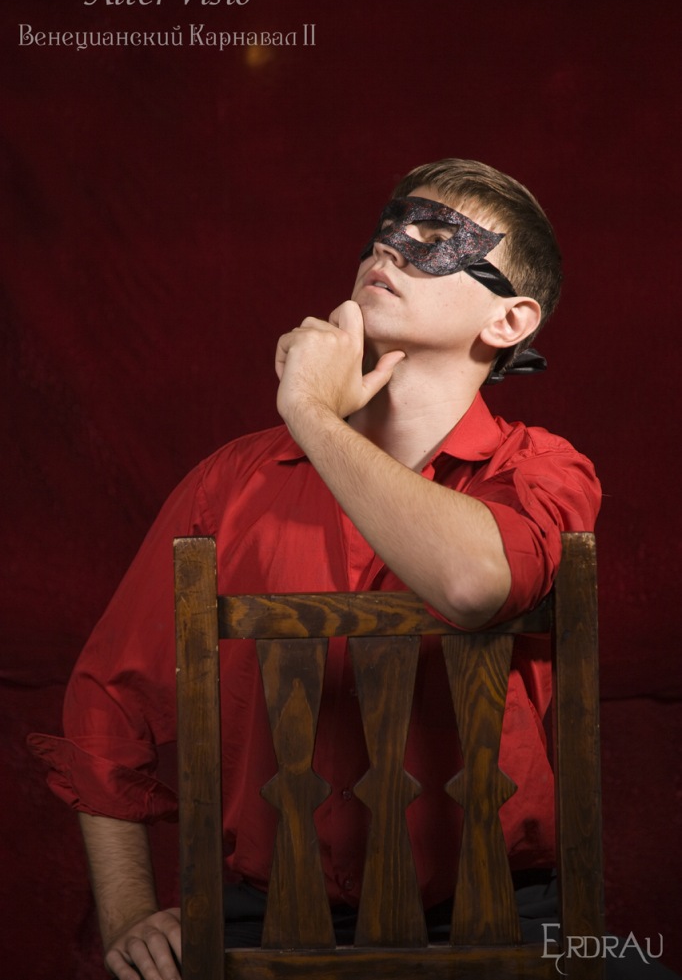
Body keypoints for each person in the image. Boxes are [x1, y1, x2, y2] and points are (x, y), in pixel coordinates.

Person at [31, 158, 603, 980]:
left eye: (435, 238)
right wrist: (126, 910)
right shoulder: (231, 483)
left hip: (510, 923)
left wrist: (308, 411)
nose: (391, 247)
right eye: (387, 230)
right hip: (260, 921)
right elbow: (107, 705)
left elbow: (476, 583)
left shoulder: (543, 472)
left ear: (509, 319)